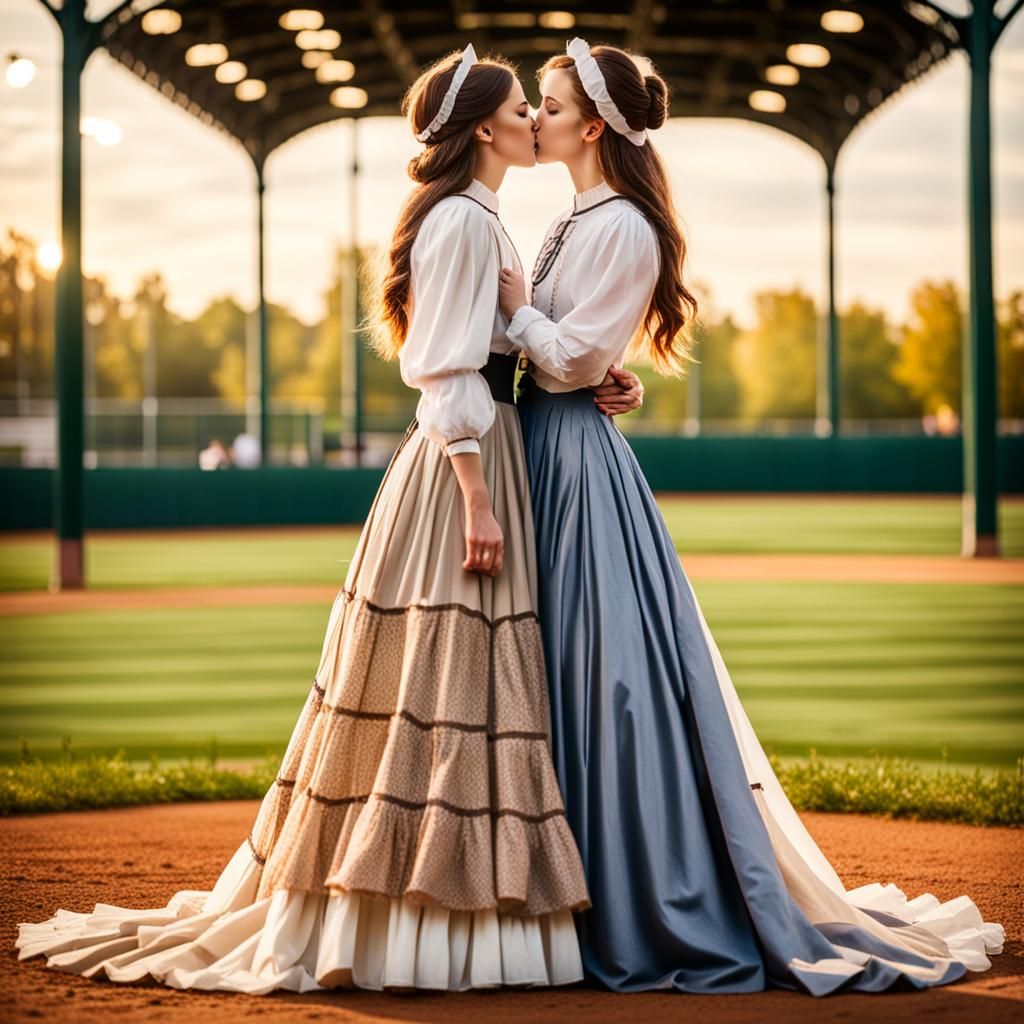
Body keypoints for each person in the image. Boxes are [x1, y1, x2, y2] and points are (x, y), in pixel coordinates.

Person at [16, 43, 643, 995]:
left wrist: (602, 373)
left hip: (484, 459)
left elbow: (524, 345)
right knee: (449, 675)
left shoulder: (481, 217)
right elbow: (445, 371)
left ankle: (459, 914)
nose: (531, 120)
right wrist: (476, 498)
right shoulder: (463, 220)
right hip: (463, 473)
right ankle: (421, 922)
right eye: (522, 108)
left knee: (467, 680)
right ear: (484, 129)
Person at [498, 37, 1005, 995]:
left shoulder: (625, 227)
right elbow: (577, 352)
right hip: (543, 446)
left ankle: (626, 895)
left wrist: (528, 317)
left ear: (593, 128)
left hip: (573, 462)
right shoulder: (575, 216)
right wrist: (585, 358)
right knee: (560, 669)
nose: (538, 118)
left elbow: (569, 358)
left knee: (605, 677)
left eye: (552, 107)